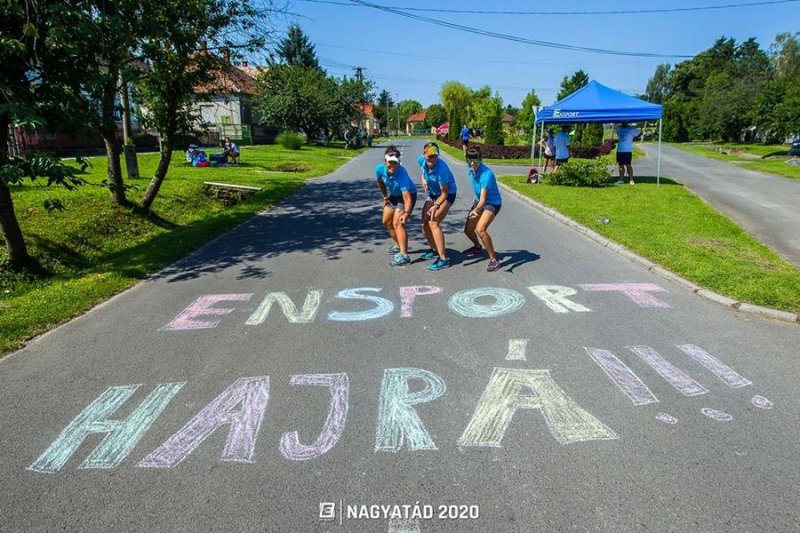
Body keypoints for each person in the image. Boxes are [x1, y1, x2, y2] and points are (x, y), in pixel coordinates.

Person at [417, 142, 458, 271]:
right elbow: (423, 170)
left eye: (434, 156)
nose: (431, 159)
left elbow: (444, 193)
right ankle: (434, 249)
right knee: (424, 224)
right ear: (424, 154)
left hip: (446, 195)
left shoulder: (442, 170)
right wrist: (423, 178)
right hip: (433, 193)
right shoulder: (421, 160)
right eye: (429, 156)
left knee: (433, 223)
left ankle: (443, 259)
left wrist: (436, 205)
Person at [375, 145, 417, 266]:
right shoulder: (379, 169)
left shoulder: (401, 174)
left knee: (398, 223)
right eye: (390, 163)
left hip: (408, 196)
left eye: (395, 163)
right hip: (394, 195)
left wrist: (407, 213)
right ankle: (398, 245)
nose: (392, 166)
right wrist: (384, 196)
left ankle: (404, 255)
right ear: (385, 161)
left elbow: (407, 197)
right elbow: (380, 182)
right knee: (386, 221)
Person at [463, 146, 503, 272]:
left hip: (492, 202)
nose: (473, 163)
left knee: (480, 229)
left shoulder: (487, 174)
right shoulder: (471, 169)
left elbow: (483, 200)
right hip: (478, 201)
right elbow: (478, 194)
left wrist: (476, 210)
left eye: (476, 160)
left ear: (481, 159)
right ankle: (477, 247)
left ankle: (494, 260)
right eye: (470, 161)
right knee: (468, 230)